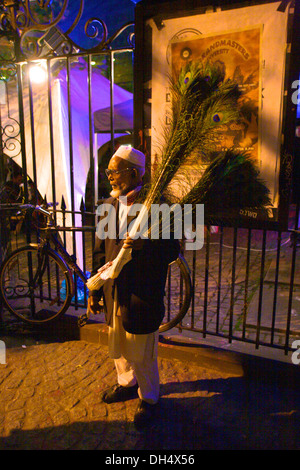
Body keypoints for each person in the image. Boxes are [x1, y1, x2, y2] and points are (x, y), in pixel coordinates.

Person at [88, 145, 180, 429]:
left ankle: (150, 397)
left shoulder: (160, 206)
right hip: (114, 289)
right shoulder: (108, 205)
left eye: (113, 172)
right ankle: (126, 382)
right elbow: (100, 251)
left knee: (141, 348)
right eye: (108, 172)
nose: (110, 177)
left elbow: (172, 252)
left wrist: (143, 244)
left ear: (132, 172)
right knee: (118, 342)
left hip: (142, 292)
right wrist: (94, 288)